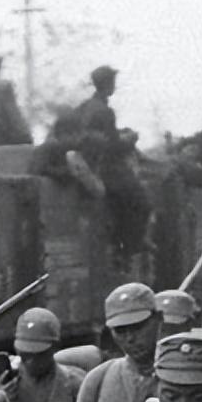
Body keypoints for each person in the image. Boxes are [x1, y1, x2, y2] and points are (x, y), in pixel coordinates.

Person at [75, 66, 152, 259]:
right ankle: (128, 247)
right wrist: (130, 140)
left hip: (90, 164)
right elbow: (111, 146)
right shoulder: (105, 110)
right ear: (108, 84)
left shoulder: (85, 106)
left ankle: (122, 243)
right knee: (142, 203)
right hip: (105, 168)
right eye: (112, 82)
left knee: (125, 203)